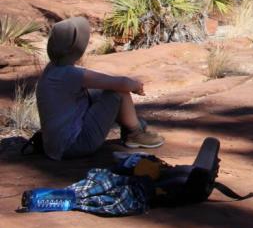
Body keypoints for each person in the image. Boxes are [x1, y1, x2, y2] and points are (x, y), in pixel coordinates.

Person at [36, 16, 164, 160]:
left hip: (54, 147)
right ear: (78, 47)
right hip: (76, 145)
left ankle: (131, 127)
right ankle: (135, 133)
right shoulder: (70, 74)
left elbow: (99, 81)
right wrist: (135, 85)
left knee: (98, 90)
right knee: (116, 91)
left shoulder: (53, 70)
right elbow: (122, 84)